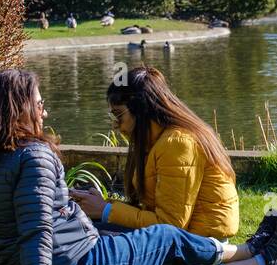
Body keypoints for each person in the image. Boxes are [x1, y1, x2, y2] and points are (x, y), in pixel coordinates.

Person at [0, 70, 277, 265]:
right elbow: (36, 231)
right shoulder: (32, 156)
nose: (45, 111)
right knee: (165, 241)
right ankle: (249, 253)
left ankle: (256, 261)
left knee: (138, 247)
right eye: (38, 104)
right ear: (20, 110)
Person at [70, 67, 241, 241]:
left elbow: (171, 225)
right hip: (186, 237)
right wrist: (103, 205)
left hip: (198, 243)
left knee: (87, 238)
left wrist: (105, 211)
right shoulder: (159, 140)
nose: (116, 126)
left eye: (118, 115)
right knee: (82, 230)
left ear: (141, 108)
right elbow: (155, 213)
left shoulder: (177, 144)